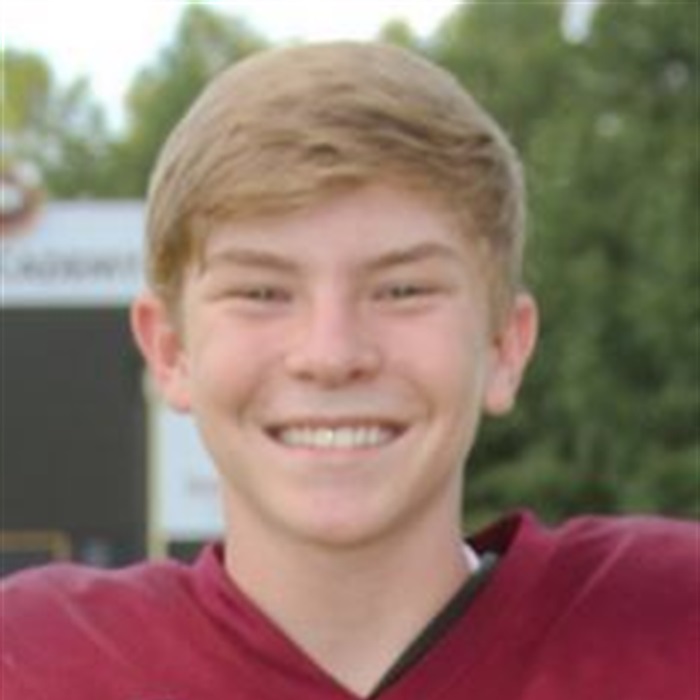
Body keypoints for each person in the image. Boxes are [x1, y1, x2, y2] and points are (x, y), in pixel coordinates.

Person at [2, 41, 698, 700]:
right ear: (169, 351)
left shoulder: (671, 623)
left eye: (402, 291)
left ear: (504, 346)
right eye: (262, 292)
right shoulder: (35, 661)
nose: (331, 355)